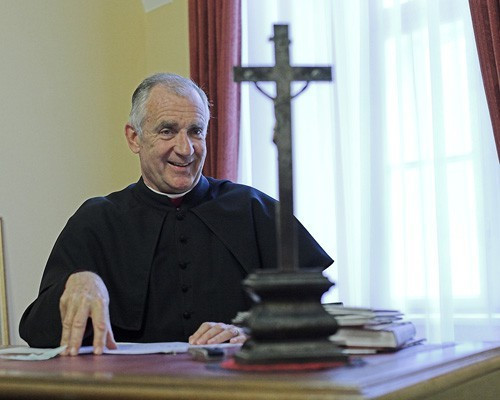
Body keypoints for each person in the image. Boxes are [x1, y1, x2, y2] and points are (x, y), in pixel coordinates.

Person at [19, 73, 333, 356]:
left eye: (195, 131)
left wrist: (252, 333)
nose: (185, 149)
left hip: (237, 386)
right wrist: (75, 282)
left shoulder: (254, 209)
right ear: (134, 138)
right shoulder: (97, 221)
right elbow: (38, 334)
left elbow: (316, 315)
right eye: (167, 131)